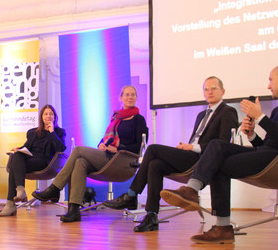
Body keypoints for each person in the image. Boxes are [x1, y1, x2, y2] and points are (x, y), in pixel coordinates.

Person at [161, 63, 278, 243]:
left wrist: (261, 117)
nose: (268, 86)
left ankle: (223, 226)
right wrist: (252, 135)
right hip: (270, 155)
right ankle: (192, 190)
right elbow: (268, 144)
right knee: (217, 145)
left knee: (218, 163)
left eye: (271, 80)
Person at [102, 76, 239, 232]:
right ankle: (151, 216)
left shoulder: (228, 111)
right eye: (206, 89)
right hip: (190, 155)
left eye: (213, 88)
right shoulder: (202, 115)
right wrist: (185, 147)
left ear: (223, 91)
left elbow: (223, 144)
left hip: (204, 160)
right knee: (155, 165)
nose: (209, 92)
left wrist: (193, 148)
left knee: (152, 149)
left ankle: (131, 195)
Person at [32, 85, 148, 222]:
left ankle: (55, 187)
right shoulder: (116, 118)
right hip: (108, 158)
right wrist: (101, 144)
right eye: (127, 94)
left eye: (133, 95)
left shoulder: (138, 119)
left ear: (136, 98)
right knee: (80, 162)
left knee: (78, 150)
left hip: (123, 161)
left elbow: (140, 146)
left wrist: (118, 149)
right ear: (121, 98)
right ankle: (74, 210)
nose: (130, 97)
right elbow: (106, 139)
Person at [0, 105, 66, 217]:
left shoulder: (59, 132)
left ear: (55, 117)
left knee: (14, 166)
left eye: (51, 114)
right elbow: (27, 146)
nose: (48, 116)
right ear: (41, 117)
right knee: (16, 156)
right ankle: (20, 191)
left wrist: (52, 132)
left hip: (45, 162)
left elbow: (61, 149)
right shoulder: (33, 132)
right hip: (30, 159)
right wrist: (18, 149)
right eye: (46, 114)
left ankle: (10, 204)